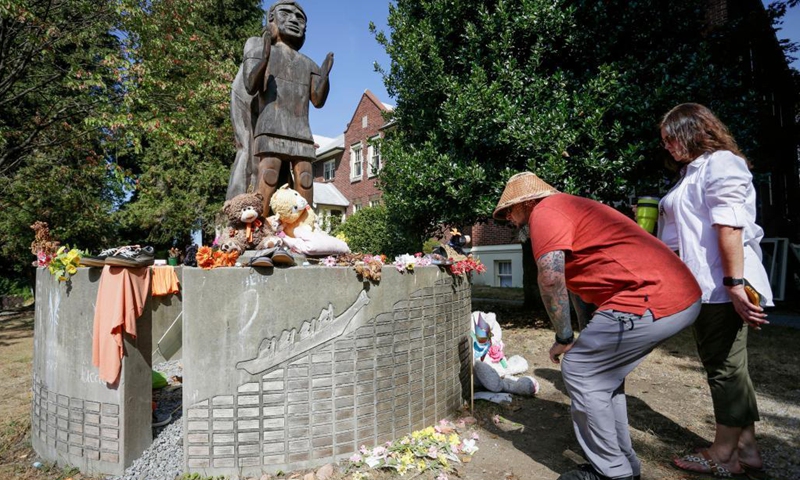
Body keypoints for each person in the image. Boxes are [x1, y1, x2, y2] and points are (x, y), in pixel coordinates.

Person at [494, 172, 702, 480]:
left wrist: (564, 337)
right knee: (604, 377)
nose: (509, 218)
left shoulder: (546, 212)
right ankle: (624, 466)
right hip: (674, 292)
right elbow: (579, 288)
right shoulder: (571, 209)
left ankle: (611, 473)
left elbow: (551, 278)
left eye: (511, 210)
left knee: (580, 368)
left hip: (651, 295)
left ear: (529, 201)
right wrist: (579, 333)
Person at [658, 103, 771, 478]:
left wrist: (735, 284)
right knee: (728, 365)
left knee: (724, 367)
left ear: (694, 130)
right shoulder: (692, 173)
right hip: (705, 284)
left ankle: (723, 454)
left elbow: (730, 225)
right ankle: (746, 447)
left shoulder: (721, 162)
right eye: (665, 141)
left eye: (672, 137)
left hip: (722, 283)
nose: (669, 146)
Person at [243, 0, 334, 213]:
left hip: (301, 131)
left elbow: (318, 100)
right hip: (271, 127)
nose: (293, 20)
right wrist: (264, 58)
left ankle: (306, 228)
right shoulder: (263, 50)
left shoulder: (308, 64)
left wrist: (325, 76)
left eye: (299, 17)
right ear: (271, 19)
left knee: (305, 179)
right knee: (269, 175)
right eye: (286, 13)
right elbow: (250, 85)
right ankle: (258, 226)